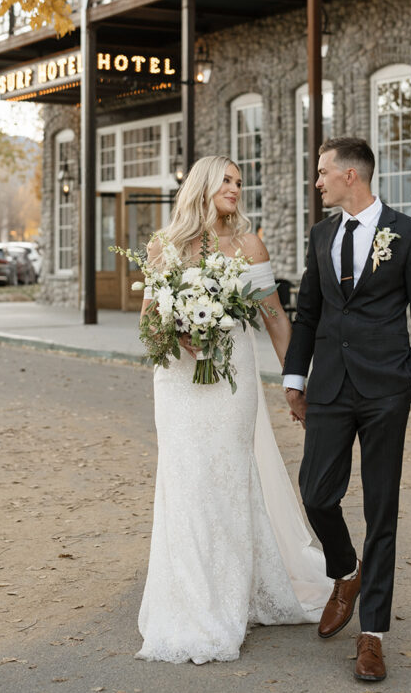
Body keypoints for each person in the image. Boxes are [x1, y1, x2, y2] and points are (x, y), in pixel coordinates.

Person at [136, 155, 331, 664]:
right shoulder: (165, 247)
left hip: (232, 381)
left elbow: (274, 320)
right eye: (226, 180)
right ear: (202, 184)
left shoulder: (248, 246)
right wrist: (177, 332)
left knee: (226, 480)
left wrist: (295, 383)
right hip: (177, 384)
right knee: (185, 483)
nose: (235, 190)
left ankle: (230, 594)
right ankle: (188, 599)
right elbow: (147, 325)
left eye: (240, 183)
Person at [283, 137, 411, 683]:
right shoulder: (321, 234)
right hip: (327, 385)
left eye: (323, 172)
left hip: (384, 390)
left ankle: (373, 634)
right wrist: (294, 377)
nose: (317, 181)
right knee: (316, 494)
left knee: (382, 509)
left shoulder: (409, 234)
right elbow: (307, 313)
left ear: (352, 175)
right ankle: (345, 570)